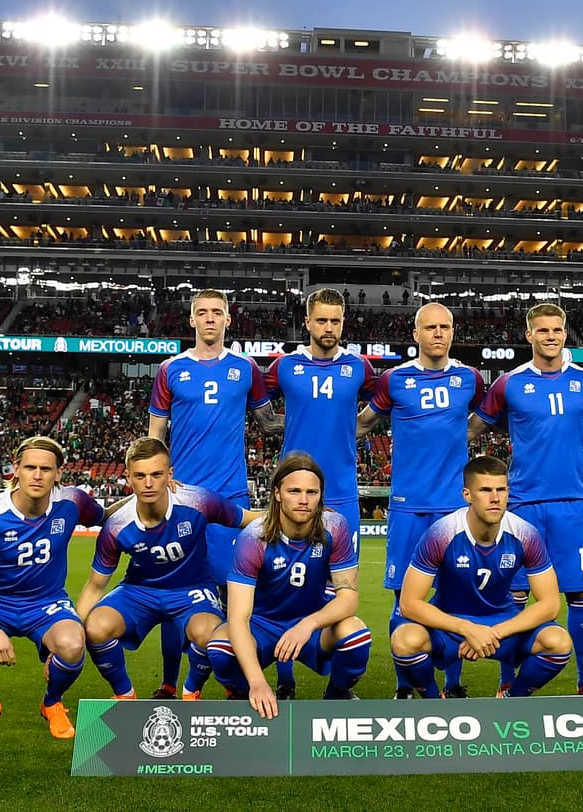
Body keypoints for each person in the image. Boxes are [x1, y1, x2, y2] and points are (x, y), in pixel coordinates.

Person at [469, 302, 583, 694]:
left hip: (571, 504)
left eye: (557, 330)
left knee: (578, 592)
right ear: (528, 335)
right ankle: (507, 682)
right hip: (523, 507)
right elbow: (472, 430)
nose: (551, 336)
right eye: (543, 330)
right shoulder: (509, 384)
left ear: (565, 333)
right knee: (515, 594)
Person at [148, 287, 281, 698]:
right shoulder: (170, 369)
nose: (209, 318)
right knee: (176, 593)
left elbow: (270, 423)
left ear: (228, 319)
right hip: (181, 500)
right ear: (191, 320)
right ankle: (171, 683)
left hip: (231, 500)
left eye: (217, 312)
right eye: (201, 312)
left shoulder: (246, 368)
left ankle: (231, 679)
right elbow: (155, 436)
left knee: (232, 592)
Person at [356, 302, 485, 699]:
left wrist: (462, 440)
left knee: (456, 593)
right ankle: (403, 685)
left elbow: (486, 417)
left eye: (445, 327)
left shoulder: (469, 378)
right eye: (430, 327)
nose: (438, 333)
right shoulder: (394, 380)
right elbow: (363, 423)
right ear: (416, 334)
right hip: (408, 505)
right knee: (403, 596)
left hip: (453, 508)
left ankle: (454, 683)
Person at [0, 436, 106, 742]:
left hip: (48, 603)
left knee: (72, 644)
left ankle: (52, 703)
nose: (37, 475)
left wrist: (150, 494)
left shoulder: (73, 501)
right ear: (15, 469)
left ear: (58, 473)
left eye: (46, 468)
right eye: (30, 467)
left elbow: (107, 518)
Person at [76, 438, 258, 701]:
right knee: (96, 627)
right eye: (140, 476)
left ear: (169, 474)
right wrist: (72, 631)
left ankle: (190, 690)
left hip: (192, 587)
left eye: (156, 474)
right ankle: (124, 696)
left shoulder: (198, 501)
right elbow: (95, 586)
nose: (148, 483)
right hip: (140, 591)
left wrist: (301, 516)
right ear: (128, 478)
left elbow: (247, 519)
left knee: (210, 634)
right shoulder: (117, 526)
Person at [265, 287, 375, 700]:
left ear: (343, 323)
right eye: (321, 320)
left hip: (342, 495)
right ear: (307, 322)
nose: (329, 328)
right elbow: (261, 408)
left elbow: (375, 410)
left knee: (342, 588)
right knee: (281, 589)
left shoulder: (359, 367)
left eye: (336, 321)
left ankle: (338, 687)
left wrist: (353, 429)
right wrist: (283, 430)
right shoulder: (283, 367)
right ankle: (286, 679)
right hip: (293, 491)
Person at [390, 455, 572, 697]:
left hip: (502, 623)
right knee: (404, 640)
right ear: (467, 495)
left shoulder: (525, 533)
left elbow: (550, 605)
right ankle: (434, 702)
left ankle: (512, 700)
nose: (495, 498)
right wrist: (467, 629)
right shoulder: (441, 533)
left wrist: (492, 633)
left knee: (558, 642)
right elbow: (409, 603)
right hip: (450, 624)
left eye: (501, 490)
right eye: (485, 490)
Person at [206, 453, 370, 718]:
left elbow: (348, 598)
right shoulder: (254, 537)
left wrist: (308, 624)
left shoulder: (335, 527)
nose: (304, 500)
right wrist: (257, 681)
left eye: (311, 492)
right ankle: (243, 694)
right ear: (278, 493)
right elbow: (238, 617)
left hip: (311, 620)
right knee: (220, 647)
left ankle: (337, 695)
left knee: (356, 633)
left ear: (320, 495)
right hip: (262, 626)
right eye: (294, 491)